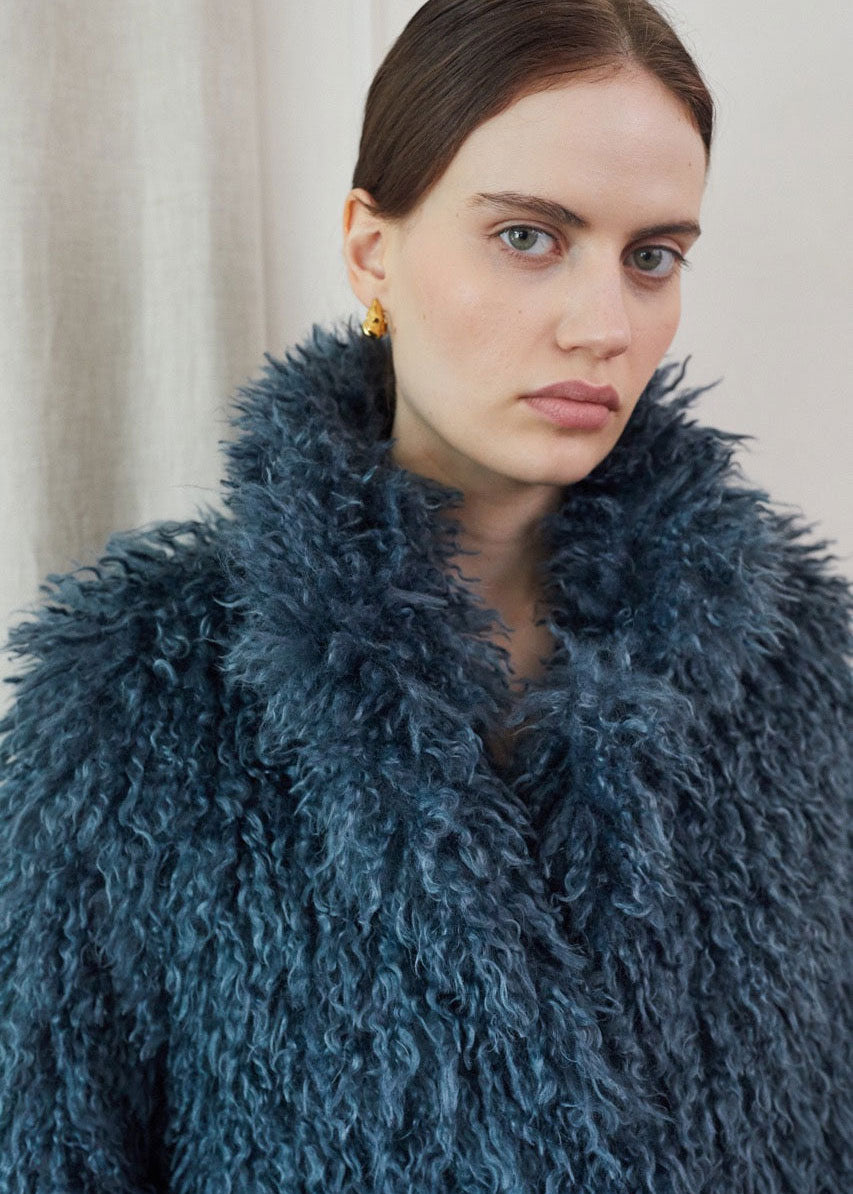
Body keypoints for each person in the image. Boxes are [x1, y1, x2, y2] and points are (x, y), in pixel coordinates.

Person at [1, 1, 849, 1190]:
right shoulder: (131, 696)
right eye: (528, 236)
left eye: (651, 256)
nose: (603, 326)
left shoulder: (800, 670)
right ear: (370, 249)